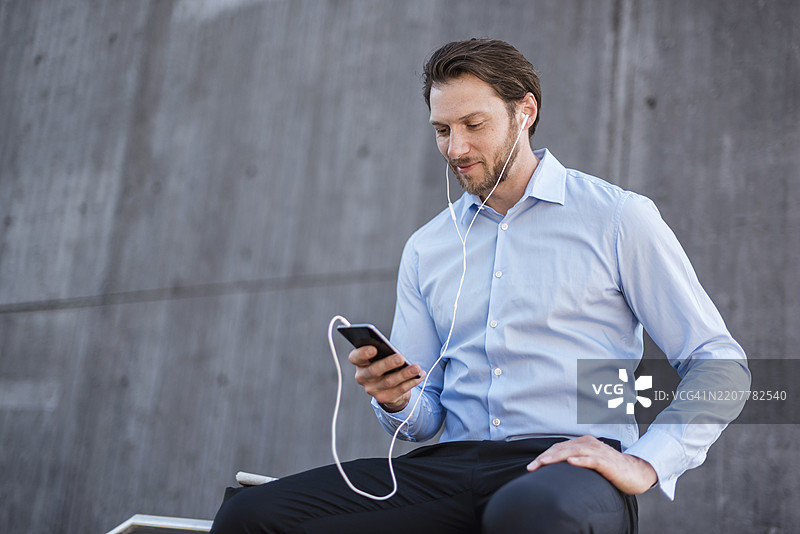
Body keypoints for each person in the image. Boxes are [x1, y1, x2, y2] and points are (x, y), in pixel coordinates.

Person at [211, 38, 750, 534]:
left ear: (525, 113)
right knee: (250, 514)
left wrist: (645, 462)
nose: (455, 147)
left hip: (568, 470)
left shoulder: (617, 218)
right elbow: (426, 420)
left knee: (525, 512)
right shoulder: (428, 248)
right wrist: (397, 400)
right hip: (445, 470)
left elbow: (720, 364)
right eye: (442, 130)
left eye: (473, 124)